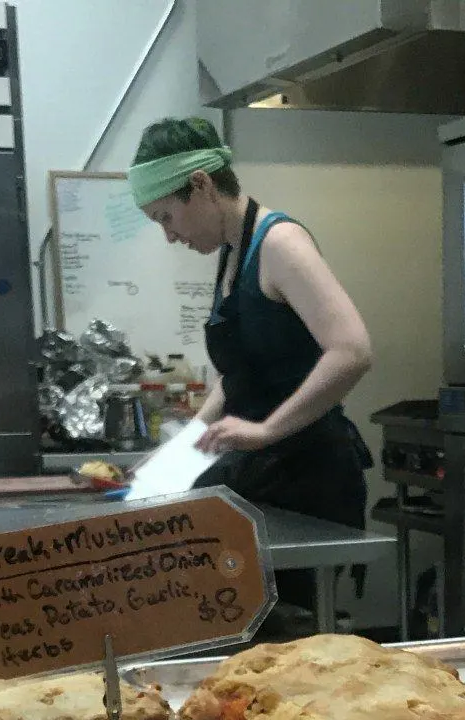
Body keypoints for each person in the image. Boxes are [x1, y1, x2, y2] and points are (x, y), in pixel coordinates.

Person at [128, 118, 375, 569]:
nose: (169, 235)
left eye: (167, 216)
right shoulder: (231, 253)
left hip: (307, 475)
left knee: (295, 629)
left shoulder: (280, 243)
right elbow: (241, 376)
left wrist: (267, 430)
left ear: (201, 185)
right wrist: (185, 444)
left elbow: (352, 351)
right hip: (265, 470)